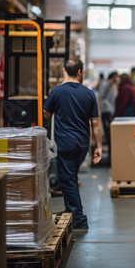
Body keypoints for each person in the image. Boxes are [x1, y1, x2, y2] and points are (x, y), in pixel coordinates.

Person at [43, 59, 103, 229]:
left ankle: (78, 217)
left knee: (67, 179)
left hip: (65, 143)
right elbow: (96, 123)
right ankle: (71, 210)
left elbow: (45, 114)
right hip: (82, 145)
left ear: (64, 71)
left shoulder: (56, 92)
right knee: (70, 177)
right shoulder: (89, 93)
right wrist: (98, 146)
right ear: (79, 72)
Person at [99, 71, 118, 151]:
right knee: (108, 134)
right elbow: (102, 97)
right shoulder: (105, 85)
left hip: (110, 111)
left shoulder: (111, 85)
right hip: (106, 111)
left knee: (110, 134)